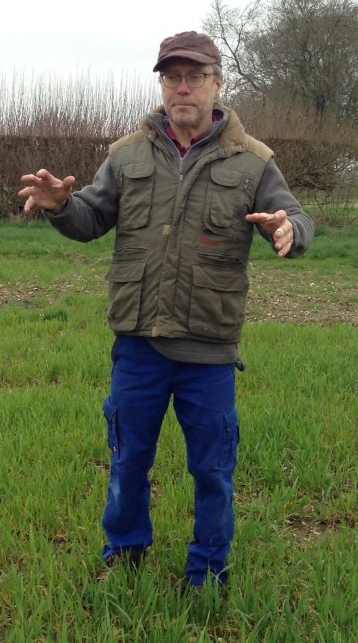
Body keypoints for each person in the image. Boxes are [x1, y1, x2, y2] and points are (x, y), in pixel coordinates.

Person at [19, 31, 313, 589]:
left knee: (212, 470)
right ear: (162, 86)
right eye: (172, 77)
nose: (183, 87)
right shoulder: (126, 155)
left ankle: (208, 571)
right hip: (139, 345)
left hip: (208, 349)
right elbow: (90, 219)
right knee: (128, 461)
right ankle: (125, 555)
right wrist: (61, 206)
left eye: (195, 77)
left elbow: (297, 219)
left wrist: (287, 229)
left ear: (217, 85)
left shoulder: (253, 164)